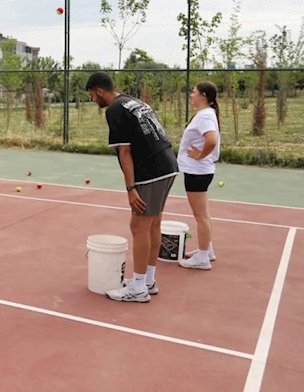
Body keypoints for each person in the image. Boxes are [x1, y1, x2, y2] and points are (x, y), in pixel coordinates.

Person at [86, 72, 179, 303]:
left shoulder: (114, 110)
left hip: (151, 170)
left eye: (91, 95)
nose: (91, 100)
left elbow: (124, 152)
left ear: (99, 91)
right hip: (168, 164)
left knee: (139, 226)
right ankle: (147, 280)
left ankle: (138, 288)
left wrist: (131, 188)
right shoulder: (133, 101)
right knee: (153, 223)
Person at [177, 81, 221, 270]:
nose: (191, 95)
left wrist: (200, 155)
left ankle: (202, 258)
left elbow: (211, 139)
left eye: (193, 92)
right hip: (199, 171)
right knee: (204, 214)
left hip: (197, 171)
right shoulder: (205, 114)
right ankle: (207, 250)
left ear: (203, 95)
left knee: (200, 216)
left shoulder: (205, 116)